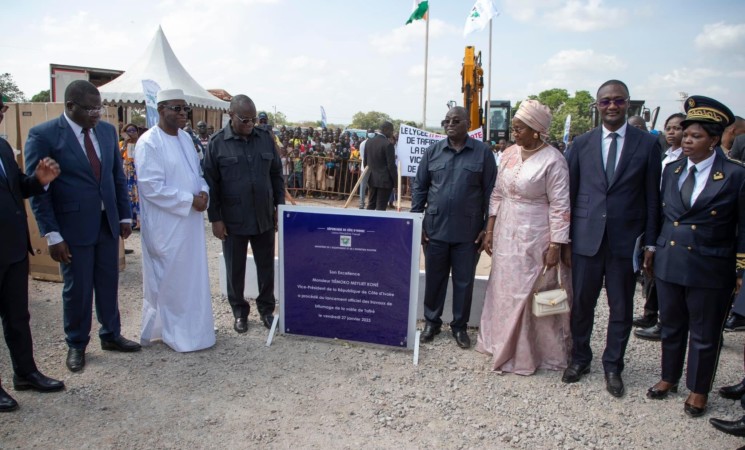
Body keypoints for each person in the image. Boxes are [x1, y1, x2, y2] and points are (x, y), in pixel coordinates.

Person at [25, 80, 141, 373]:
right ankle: (76, 344)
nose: (97, 114)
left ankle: (111, 335)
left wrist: (124, 216)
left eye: (99, 107)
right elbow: (40, 192)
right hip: (72, 228)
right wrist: (52, 234)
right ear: (70, 107)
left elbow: (116, 176)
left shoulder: (105, 131)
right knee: (77, 289)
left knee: (108, 282)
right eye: (90, 109)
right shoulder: (44, 135)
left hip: (106, 224)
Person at [562, 80, 661, 398]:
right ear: (597, 106)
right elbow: (570, 195)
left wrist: (650, 243)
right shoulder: (581, 144)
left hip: (624, 242)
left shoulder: (646, 145)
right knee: (582, 305)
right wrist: (564, 239)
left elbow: (651, 198)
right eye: (605, 102)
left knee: (621, 308)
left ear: (628, 103)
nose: (612, 106)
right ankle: (580, 358)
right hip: (586, 239)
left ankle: (613, 365)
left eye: (618, 101)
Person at [647, 96, 744, 418]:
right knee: (672, 324)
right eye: (686, 135)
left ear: (714, 140)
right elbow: (660, 216)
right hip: (670, 260)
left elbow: (742, 227)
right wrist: (653, 249)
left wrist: (740, 268)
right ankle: (669, 377)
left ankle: (699, 389)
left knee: (704, 333)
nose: (687, 140)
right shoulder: (672, 170)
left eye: (696, 136)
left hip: (710, 265)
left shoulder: (733, 175)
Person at [476, 100, 572, 374]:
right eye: (514, 128)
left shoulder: (554, 160)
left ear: (536, 131)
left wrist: (556, 244)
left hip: (536, 236)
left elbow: (561, 206)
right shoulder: (508, 154)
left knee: (530, 292)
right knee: (503, 289)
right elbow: (497, 193)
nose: (514, 133)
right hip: (506, 231)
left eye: (519, 128)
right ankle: (498, 343)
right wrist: (490, 229)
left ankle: (531, 353)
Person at [134, 88, 215, 352]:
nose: (183, 114)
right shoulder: (149, 142)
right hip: (167, 226)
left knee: (193, 279)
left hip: (189, 225)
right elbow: (151, 187)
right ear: (161, 110)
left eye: (185, 109)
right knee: (172, 281)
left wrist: (203, 191)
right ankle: (174, 334)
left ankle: (196, 331)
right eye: (176, 109)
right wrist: (189, 199)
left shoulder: (185, 139)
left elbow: (196, 173)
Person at [412, 106, 497, 349]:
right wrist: (418, 221)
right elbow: (419, 188)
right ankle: (432, 322)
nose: (449, 124)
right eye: (446, 120)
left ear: (467, 124)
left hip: (468, 232)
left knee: (464, 281)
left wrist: (486, 228)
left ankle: (459, 327)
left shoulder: (482, 153)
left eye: (455, 120)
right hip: (435, 229)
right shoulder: (432, 152)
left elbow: (491, 192)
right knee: (435, 278)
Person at [0, 95, 64, 411]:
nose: (1, 116)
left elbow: (18, 188)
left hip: (12, 248)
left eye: (2, 110)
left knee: (18, 316)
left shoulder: (1, 147)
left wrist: (38, 181)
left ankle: (25, 372)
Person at [203, 95, 284, 333]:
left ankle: (266, 310)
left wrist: (280, 207)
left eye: (253, 120)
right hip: (233, 219)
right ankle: (239, 312)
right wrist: (215, 219)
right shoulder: (217, 143)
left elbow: (276, 175)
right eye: (245, 120)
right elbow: (211, 184)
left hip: (263, 218)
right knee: (234, 269)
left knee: (266, 266)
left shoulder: (265, 140)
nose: (250, 124)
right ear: (230, 115)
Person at [634, 112, 686, 341]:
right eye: (670, 128)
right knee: (654, 274)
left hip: (676, 225)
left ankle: (666, 321)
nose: (673, 132)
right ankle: (652, 314)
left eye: (678, 128)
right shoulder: (665, 156)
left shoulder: (686, 159)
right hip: (660, 222)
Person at [364, 122, 397, 211]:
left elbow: (365, 162)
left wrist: (368, 177)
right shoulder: (388, 145)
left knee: (371, 205)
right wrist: (396, 181)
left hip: (372, 179)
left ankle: (367, 223)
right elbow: (391, 166)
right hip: (385, 181)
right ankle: (377, 225)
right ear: (386, 130)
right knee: (381, 207)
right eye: (391, 130)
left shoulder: (368, 142)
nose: (392, 133)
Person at [119, 123, 141, 231]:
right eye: (129, 131)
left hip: (138, 173)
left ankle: (139, 222)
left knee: (139, 196)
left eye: (134, 130)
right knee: (129, 196)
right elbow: (118, 156)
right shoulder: (122, 144)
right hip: (127, 173)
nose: (131, 133)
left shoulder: (141, 143)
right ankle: (131, 221)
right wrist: (125, 145)